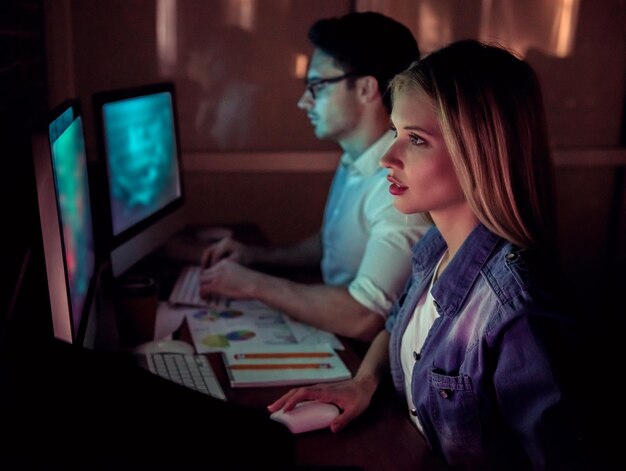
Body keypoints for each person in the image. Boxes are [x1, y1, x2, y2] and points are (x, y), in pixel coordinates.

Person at [268, 39, 582, 469]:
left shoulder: (519, 307)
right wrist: (363, 383)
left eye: (415, 139)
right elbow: (393, 328)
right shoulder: (434, 248)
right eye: (395, 132)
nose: (387, 157)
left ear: (479, 152)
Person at [199, 12, 430, 341]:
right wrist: (254, 257)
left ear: (365, 88)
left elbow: (363, 317)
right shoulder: (355, 157)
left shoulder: (397, 184)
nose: (303, 101)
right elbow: (330, 246)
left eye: (317, 86)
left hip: (359, 354)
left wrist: (251, 283)